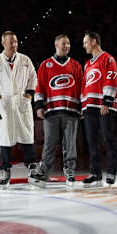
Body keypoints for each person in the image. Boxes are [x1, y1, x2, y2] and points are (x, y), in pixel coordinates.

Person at [0, 31, 38, 188]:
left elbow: (33, 77)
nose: (14, 44)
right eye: (11, 42)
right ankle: (5, 169)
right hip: (4, 104)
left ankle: (32, 167)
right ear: (3, 43)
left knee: (27, 135)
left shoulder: (25, 60)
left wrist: (28, 95)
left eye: (16, 41)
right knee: (4, 137)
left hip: (21, 102)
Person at [29, 34, 82, 187]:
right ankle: (44, 171)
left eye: (69, 44)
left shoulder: (76, 65)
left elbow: (81, 87)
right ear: (56, 45)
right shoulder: (46, 65)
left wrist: (82, 106)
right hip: (51, 111)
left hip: (71, 111)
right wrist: (39, 106)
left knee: (70, 144)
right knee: (49, 144)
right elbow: (39, 88)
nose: (67, 46)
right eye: (64, 43)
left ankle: (70, 171)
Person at [81, 32, 117, 187]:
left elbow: (111, 78)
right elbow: (85, 86)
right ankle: (95, 173)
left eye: (86, 42)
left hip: (104, 105)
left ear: (94, 42)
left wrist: (107, 101)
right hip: (90, 107)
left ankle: (111, 172)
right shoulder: (87, 64)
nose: (84, 45)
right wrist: (83, 106)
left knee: (108, 138)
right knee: (92, 141)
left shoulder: (108, 59)